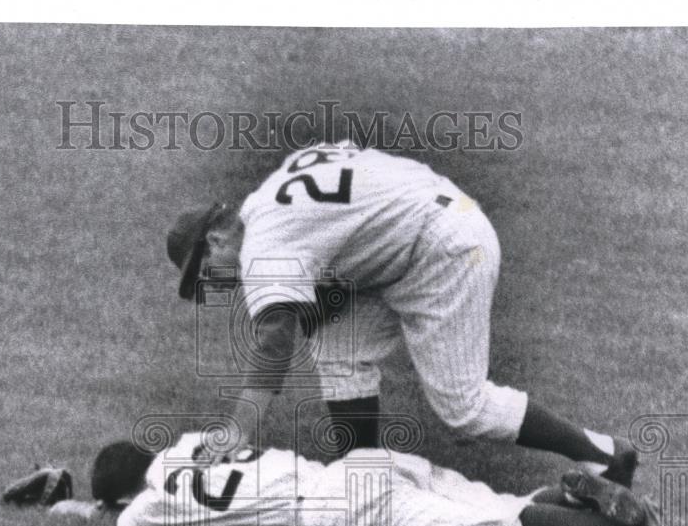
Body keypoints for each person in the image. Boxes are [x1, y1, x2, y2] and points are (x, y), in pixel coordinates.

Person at [167, 140, 638, 486]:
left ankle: (604, 453)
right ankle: (365, 483)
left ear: (216, 241)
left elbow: (274, 340)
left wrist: (237, 429)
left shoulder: (262, 246)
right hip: (429, 223)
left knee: (464, 408)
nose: (216, 286)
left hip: (445, 249)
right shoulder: (266, 200)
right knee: (336, 348)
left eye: (206, 273)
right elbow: (327, 280)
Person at [16, 434, 675, 526]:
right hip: (360, 464)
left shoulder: (143, 512)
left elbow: (99, 518)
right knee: (487, 502)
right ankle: (577, 497)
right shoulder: (192, 440)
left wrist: (59, 505)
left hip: (341, 511)